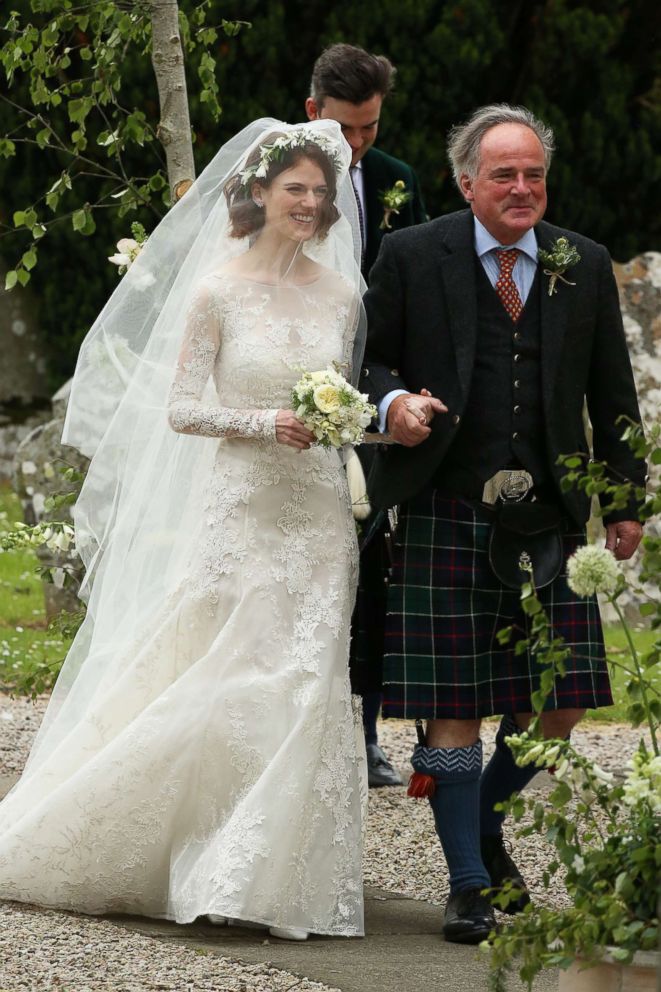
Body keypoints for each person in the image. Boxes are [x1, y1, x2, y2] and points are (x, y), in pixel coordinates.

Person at [0, 120, 367, 941]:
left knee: (305, 679)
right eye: (294, 189)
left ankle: (256, 875)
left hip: (314, 510)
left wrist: (349, 422)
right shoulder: (216, 289)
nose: (308, 204)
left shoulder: (343, 296)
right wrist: (262, 421)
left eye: (319, 191)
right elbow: (180, 409)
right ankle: (165, 842)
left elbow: (338, 398)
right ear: (261, 193)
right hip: (241, 509)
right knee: (219, 675)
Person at [361, 103, 644, 944]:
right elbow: (363, 354)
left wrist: (625, 498)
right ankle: (469, 884)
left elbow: (613, 395)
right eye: (503, 175)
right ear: (465, 182)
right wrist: (393, 399)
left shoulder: (579, 262)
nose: (522, 190)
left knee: (561, 706)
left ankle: (478, 823)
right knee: (454, 707)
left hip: (548, 516)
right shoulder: (414, 254)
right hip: (446, 507)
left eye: (533, 175)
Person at [307, 42, 427, 787]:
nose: (356, 148)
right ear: (312, 109)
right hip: (294, 391)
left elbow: (416, 294)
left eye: (370, 130)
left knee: (374, 569)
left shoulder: (394, 182)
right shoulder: (279, 180)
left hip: (374, 402)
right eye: (345, 129)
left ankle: (368, 730)